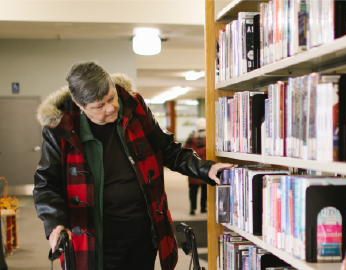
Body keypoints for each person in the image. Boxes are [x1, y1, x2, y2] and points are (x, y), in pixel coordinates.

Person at [33, 61, 234, 270]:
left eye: (111, 98)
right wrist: (55, 222)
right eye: (99, 106)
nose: (110, 108)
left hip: (143, 235)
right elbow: (46, 184)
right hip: (95, 240)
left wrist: (204, 168)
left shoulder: (134, 106)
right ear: (79, 104)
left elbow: (168, 150)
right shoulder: (60, 128)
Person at [184, 118, 207, 215]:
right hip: (205, 167)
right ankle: (203, 208)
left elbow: (185, 150)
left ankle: (192, 208)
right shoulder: (209, 138)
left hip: (193, 166)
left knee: (193, 189)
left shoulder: (190, 138)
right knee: (205, 189)